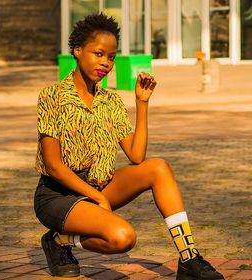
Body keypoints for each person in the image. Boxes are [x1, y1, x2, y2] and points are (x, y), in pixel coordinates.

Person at [34, 13, 225, 280]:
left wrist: (142, 103)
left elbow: (137, 156)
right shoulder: (52, 96)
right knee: (122, 238)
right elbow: (53, 166)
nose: (105, 63)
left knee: (157, 167)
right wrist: (99, 198)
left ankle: (189, 257)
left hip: (99, 186)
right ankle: (57, 242)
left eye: (111, 57)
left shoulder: (110, 101)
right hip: (58, 195)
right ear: (77, 51)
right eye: (98, 53)